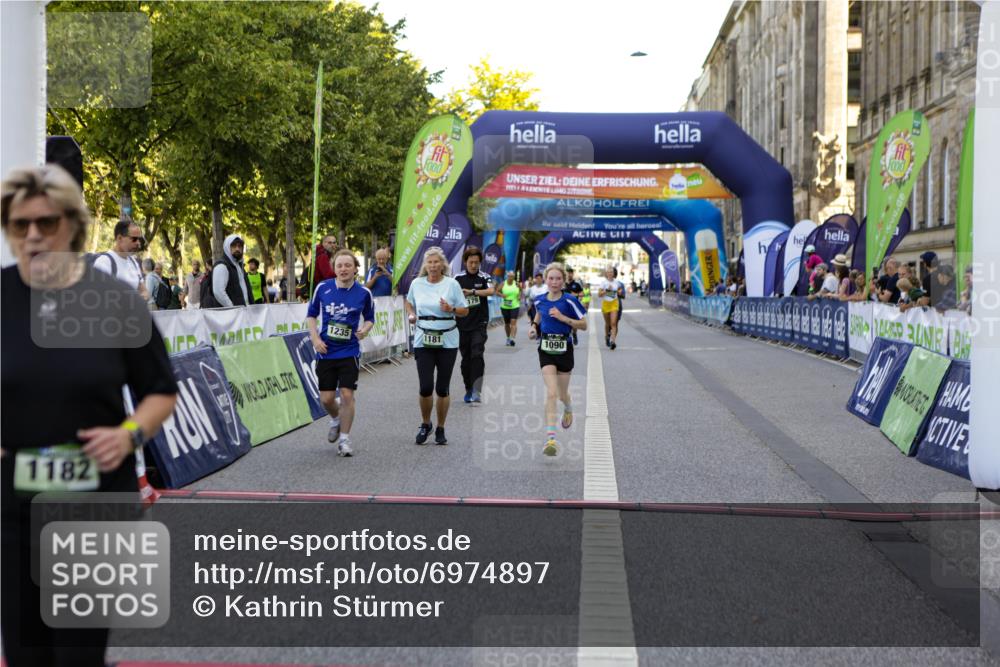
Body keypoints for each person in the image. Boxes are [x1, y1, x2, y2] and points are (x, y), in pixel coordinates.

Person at [1, 165, 178, 667]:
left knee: (77, 654)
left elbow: (160, 391)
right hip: (10, 507)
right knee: (25, 653)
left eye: (46, 222)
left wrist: (128, 434)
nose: (33, 234)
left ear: (72, 228)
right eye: (19, 224)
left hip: (93, 504)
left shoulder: (114, 300)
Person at [307, 249, 375, 457]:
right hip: (326, 351)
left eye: (348, 265)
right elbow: (311, 315)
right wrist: (315, 339)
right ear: (334, 269)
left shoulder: (364, 293)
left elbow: (370, 318)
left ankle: (344, 440)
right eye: (339, 265)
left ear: (355, 269)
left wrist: (364, 330)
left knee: (346, 395)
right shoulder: (323, 288)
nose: (343, 269)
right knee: (326, 399)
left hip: (349, 350)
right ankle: (336, 418)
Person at [404, 246, 469, 446]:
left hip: (447, 340)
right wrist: (412, 314)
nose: (433, 266)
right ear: (426, 265)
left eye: (436, 262)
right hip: (423, 338)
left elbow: (464, 311)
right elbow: (408, 302)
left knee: (442, 388)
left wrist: (451, 308)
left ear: (443, 265)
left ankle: (441, 427)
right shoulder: (417, 283)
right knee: (425, 387)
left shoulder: (452, 285)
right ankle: (426, 424)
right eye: (429, 262)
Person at [527, 262, 588, 457]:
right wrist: (533, 327)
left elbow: (584, 325)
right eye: (551, 278)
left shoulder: (569, 301)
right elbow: (538, 314)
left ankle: (568, 407)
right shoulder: (539, 300)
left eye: (558, 278)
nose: (554, 282)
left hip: (564, 349)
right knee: (551, 393)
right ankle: (550, 439)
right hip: (545, 349)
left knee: (562, 394)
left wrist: (564, 318)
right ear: (545, 279)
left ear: (563, 280)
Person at [455, 246, 496, 404]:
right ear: (465, 262)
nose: (474, 265)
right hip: (462, 323)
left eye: (477, 263)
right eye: (471, 262)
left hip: (480, 322)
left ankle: (477, 390)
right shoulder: (457, 278)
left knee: (477, 353)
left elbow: (491, 291)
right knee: (466, 358)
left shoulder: (484, 277)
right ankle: (468, 388)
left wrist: (472, 292)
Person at [92, 219, 147, 299]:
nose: (138, 243)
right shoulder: (104, 262)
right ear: (119, 238)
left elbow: (144, 291)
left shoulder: (133, 262)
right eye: (134, 239)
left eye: (139, 239)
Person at [205, 234, 253, 308]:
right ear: (227, 247)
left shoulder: (239, 266)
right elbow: (219, 292)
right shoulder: (222, 266)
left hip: (242, 314)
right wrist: (233, 308)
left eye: (240, 246)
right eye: (234, 246)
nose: (237, 249)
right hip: (230, 315)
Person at [598, 266, 623, 350]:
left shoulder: (617, 282)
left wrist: (619, 292)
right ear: (606, 274)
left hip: (614, 303)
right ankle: (607, 337)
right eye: (608, 272)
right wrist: (606, 290)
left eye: (611, 272)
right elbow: (599, 295)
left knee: (613, 323)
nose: (610, 273)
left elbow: (620, 291)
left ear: (613, 273)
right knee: (607, 324)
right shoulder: (603, 283)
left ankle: (613, 342)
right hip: (606, 304)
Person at [499, 270, 521, 346]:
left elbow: (520, 291)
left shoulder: (517, 284)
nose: (511, 278)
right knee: (507, 324)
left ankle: (512, 339)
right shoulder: (503, 283)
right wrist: (501, 295)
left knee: (513, 322)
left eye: (512, 276)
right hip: (505, 306)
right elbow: (497, 291)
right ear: (507, 276)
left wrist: (519, 296)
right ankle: (508, 338)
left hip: (515, 305)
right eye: (509, 276)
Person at [565, 267, 584, 345]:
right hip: (564, 306)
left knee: (574, 324)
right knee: (565, 322)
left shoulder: (576, 284)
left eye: (570, 273)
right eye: (567, 273)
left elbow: (582, 294)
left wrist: (576, 294)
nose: (569, 275)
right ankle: (566, 337)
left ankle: (574, 334)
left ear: (572, 274)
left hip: (573, 306)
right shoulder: (562, 284)